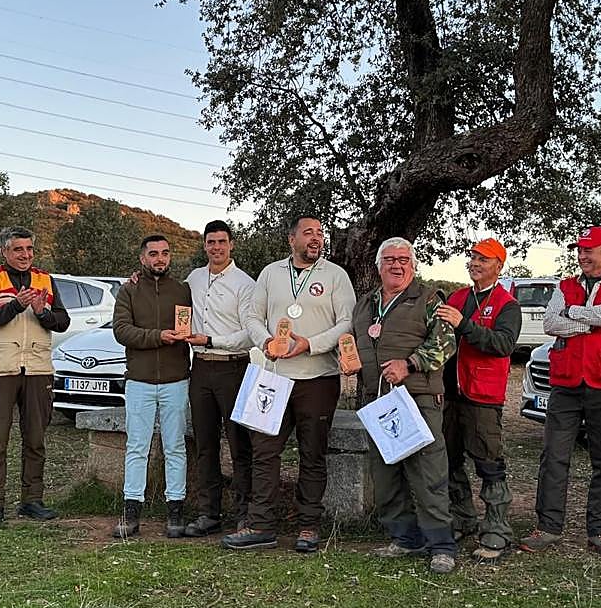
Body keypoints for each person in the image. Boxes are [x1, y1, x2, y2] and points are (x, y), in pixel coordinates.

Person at [222, 215, 355, 553]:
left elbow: (347, 322)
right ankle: (261, 525)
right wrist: (266, 341)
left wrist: (309, 344)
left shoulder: (336, 276)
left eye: (320, 233)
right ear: (291, 239)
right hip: (272, 376)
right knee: (264, 452)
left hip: (318, 379)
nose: (316, 238)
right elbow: (251, 316)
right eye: (308, 232)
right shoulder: (270, 273)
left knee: (313, 454)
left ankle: (309, 525)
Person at [520, 226, 601, 558]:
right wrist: (589, 323)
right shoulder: (565, 286)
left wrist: (573, 314)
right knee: (554, 456)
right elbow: (549, 324)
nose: (583, 255)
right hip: (568, 382)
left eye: (590, 249)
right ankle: (548, 526)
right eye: (580, 250)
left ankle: (600, 531)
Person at [347, 237, 458, 574]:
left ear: (413, 265)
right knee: (385, 472)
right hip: (376, 400)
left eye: (404, 260)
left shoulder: (427, 298)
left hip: (419, 398)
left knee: (428, 473)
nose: (397, 265)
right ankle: (405, 537)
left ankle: (442, 545)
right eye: (390, 260)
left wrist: (408, 364)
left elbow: (446, 344)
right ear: (378, 266)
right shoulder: (365, 304)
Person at [0, 226, 71, 528]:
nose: (25, 255)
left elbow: (63, 322)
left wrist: (42, 312)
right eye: (18, 249)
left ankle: (32, 500)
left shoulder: (45, 279)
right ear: (4, 251)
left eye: (29, 249)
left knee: (35, 439)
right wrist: (17, 305)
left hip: (38, 369)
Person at [437, 238, 522, 563]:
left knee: (488, 463)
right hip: (450, 394)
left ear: (498, 266)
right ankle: (462, 518)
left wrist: (465, 325)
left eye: (483, 259)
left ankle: (497, 529)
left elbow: (502, 344)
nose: (475, 263)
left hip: (483, 396)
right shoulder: (458, 297)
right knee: (450, 459)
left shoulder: (507, 305)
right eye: (472, 257)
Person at [111, 235, 192, 539]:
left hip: (176, 380)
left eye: (165, 253)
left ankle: (176, 512)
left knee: (175, 446)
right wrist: (159, 336)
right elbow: (122, 330)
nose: (160, 258)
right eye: (154, 254)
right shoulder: (128, 289)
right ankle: (131, 513)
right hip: (140, 381)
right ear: (142, 258)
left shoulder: (183, 290)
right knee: (136, 447)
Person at [181, 220, 259, 537]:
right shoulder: (194, 279)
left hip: (232, 367)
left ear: (231, 245)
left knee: (240, 443)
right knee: (205, 443)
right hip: (200, 369)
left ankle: (245, 514)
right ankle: (208, 513)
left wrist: (211, 340)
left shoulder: (245, 284)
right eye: (211, 242)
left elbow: (249, 335)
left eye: (222, 242)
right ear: (204, 246)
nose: (216, 247)